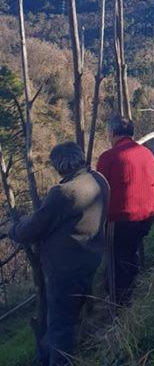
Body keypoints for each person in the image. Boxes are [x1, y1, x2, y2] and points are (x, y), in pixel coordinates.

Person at [0, 142, 109, 366]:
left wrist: (11, 228)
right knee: (70, 315)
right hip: (90, 257)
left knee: (60, 325)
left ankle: (59, 361)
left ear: (59, 166)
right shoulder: (99, 179)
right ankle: (52, 357)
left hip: (65, 269)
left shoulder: (63, 193)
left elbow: (32, 229)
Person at [97, 115, 154, 306]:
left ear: (113, 133)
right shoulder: (147, 153)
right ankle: (129, 281)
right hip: (147, 215)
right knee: (128, 251)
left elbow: (99, 190)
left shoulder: (109, 158)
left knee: (119, 260)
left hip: (122, 219)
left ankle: (121, 305)